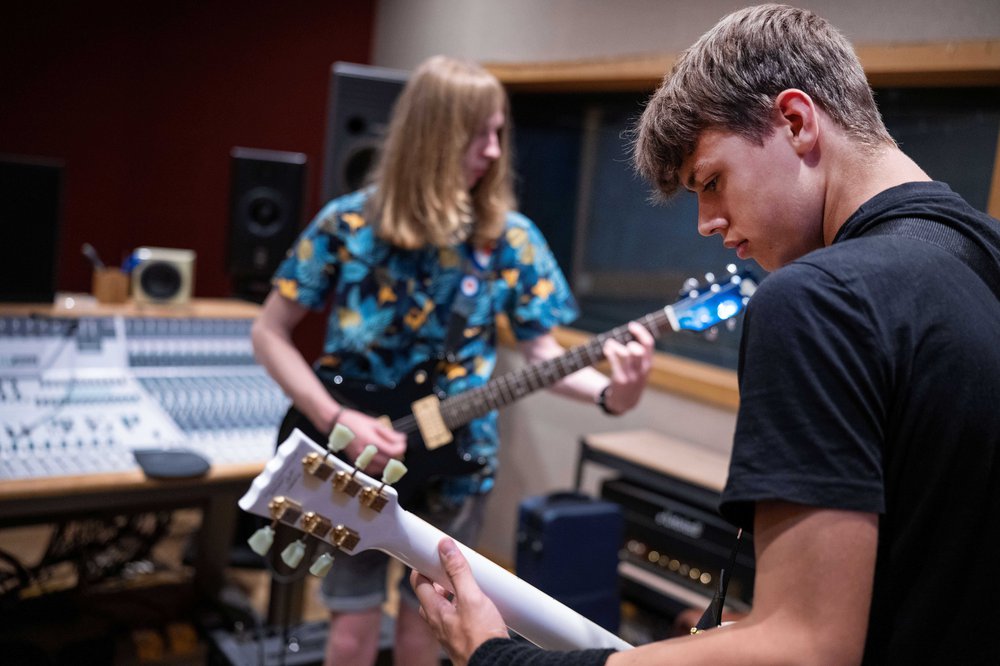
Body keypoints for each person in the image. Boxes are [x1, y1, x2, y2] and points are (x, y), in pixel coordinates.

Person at [410, 5, 1000, 665]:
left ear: (797, 121)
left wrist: (500, 657)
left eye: (711, 182)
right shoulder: (986, 257)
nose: (706, 222)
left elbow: (805, 649)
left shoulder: (819, 300)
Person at [250, 54, 655, 666]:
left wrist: (610, 395)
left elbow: (543, 352)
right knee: (351, 631)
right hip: (352, 455)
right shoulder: (347, 224)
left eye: (499, 134)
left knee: (433, 631)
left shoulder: (510, 238)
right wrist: (336, 415)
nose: (493, 151)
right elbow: (269, 333)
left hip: (456, 468)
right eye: (479, 135)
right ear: (433, 136)